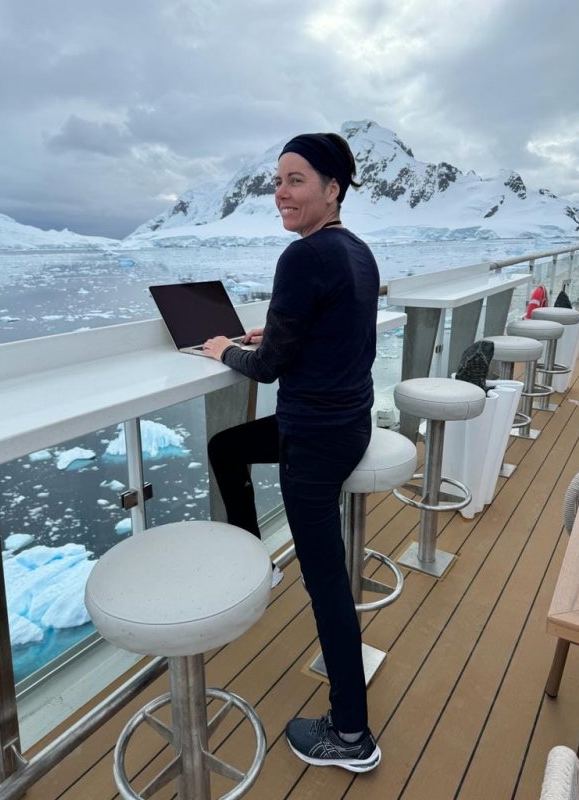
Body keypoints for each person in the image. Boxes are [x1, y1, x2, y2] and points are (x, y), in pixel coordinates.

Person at [202, 132, 381, 772]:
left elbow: (271, 368)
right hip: (348, 423)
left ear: (333, 189)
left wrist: (227, 350)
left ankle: (351, 735)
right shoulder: (355, 252)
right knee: (227, 446)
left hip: (315, 439)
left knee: (327, 582)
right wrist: (271, 329)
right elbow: (331, 333)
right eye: (278, 180)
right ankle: (261, 560)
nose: (282, 192)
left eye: (297, 179)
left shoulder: (302, 258)